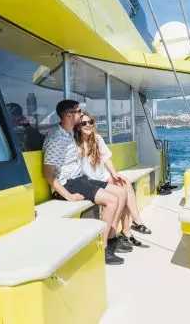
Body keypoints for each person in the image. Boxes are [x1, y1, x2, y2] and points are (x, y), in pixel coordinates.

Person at [42, 100, 131, 265]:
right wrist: (68, 196)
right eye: (78, 111)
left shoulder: (68, 133)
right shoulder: (57, 138)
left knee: (120, 192)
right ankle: (102, 249)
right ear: (69, 115)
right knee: (112, 200)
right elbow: (48, 173)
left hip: (80, 179)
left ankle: (111, 239)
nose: (81, 113)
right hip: (69, 184)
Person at [74, 112, 151, 247]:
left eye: (90, 122)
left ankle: (135, 223)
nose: (88, 125)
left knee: (125, 183)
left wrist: (114, 173)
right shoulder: (74, 143)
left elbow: (106, 159)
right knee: (120, 193)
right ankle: (125, 231)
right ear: (78, 126)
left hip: (102, 175)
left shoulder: (97, 139)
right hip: (90, 180)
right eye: (83, 123)